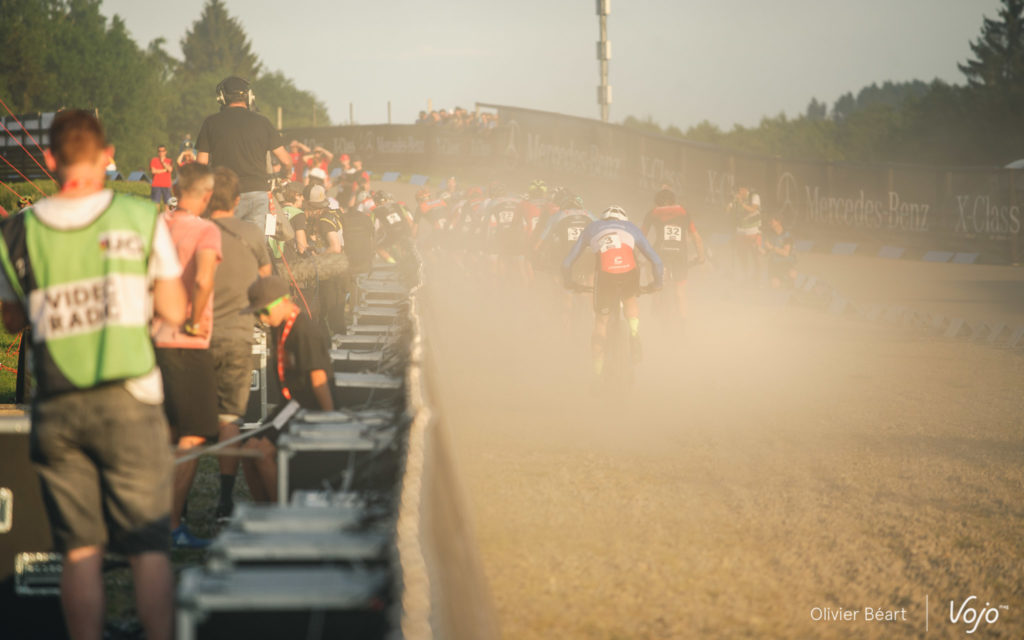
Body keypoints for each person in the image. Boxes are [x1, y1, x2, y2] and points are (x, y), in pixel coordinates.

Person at [0, 109, 185, 640]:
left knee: (79, 550)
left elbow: (11, 320)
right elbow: (174, 309)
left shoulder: (16, 230)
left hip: (56, 403)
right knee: (148, 547)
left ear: (49, 158)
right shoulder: (141, 217)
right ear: (108, 157)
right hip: (130, 395)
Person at [151, 163, 222, 548]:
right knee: (192, 437)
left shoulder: (157, 225)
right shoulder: (206, 230)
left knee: (166, 433)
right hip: (187, 343)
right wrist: (194, 321)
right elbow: (204, 278)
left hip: (154, 338)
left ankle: (150, 519)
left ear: (176, 189)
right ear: (207, 195)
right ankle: (172, 526)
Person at [206, 167, 272, 520]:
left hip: (196, 337)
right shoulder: (252, 233)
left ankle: (176, 507)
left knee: (185, 424)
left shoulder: (195, 231)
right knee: (230, 416)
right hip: (238, 334)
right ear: (237, 200)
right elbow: (265, 281)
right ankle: (225, 498)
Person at [239, 276, 334, 502]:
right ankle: (262, 507)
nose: (261, 318)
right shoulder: (279, 326)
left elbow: (319, 379)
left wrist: (330, 421)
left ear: (283, 301)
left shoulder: (305, 331)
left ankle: (280, 510)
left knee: (262, 452)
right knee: (248, 449)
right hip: (289, 406)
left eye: (264, 311)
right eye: (257, 314)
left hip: (308, 408)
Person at [562, 205, 663, 381]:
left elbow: (567, 262)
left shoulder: (592, 227)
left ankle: (597, 373)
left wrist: (569, 282)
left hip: (605, 275)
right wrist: (657, 284)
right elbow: (656, 260)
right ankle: (634, 333)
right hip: (629, 272)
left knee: (601, 322)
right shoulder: (631, 227)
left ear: (604, 218)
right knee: (630, 299)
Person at [196, 76, 292, 233]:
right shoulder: (263, 122)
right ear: (249, 96)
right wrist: (285, 175)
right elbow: (286, 160)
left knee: (225, 241)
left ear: (222, 98)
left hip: (225, 194)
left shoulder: (210, 123)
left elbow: (200, 166)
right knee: (255, 242)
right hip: (257, 192)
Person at [641, 188, 706, 322]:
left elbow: (640, 237)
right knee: (680, 291)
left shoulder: (653, 213)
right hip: (680, 254)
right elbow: (696, 238)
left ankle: (655, 296)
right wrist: (701, 257)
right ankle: (683, 323)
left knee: (648, 264)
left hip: (660, 253)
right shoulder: (683, 212)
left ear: (656, 203)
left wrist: (635, 256)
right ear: (673, 201)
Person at [729, 186, 762, 284]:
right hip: (741, 230)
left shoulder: (754, 196)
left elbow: (753, 209)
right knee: (742, 254)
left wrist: (741, 203)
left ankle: (758, 278)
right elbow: (728, 211)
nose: (738, 192)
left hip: (753, 230)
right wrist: (731, 205)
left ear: (744, 189)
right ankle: (745, 276)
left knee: (756, 254)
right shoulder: (737, 199)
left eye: (739, 190)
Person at [762, 215, 797, 288]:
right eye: (769, 221)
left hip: (787, 262)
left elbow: (786, 253)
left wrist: (772, 248)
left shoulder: (787, 235)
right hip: (775, 263)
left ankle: (790, 286)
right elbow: (766, 252)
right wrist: (758, 248)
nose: (770, 223)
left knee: (792, 273)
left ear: (779, 222)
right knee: (775, 284)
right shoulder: (770, 235)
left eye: (772, 221)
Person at [149, 144, 174, 211]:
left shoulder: (169, 160)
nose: (161, 153)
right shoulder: (154, 160)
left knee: (168, 204)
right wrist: (164, 170)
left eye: (163, 151)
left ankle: (167, 217)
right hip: (156, 185)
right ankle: (156, 217)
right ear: (158, 152)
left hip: (167, 185)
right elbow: (153, 171)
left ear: (165, 152)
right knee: (155, 204)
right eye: (159, 151)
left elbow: (170, 169)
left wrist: (163, 162)